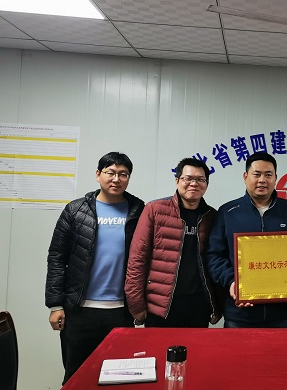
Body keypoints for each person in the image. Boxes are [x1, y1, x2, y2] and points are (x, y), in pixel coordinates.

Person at [45, 152, 144, 384]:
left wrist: (140, 304)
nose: (116, 179)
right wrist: (55, 304)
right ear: (98, 174)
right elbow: (57, 257)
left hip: (121, 311)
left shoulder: (139, 210)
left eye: (123, 174)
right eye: (110, 173)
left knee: (119, 378)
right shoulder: (75, 210)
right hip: (79, 310)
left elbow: (146, 260)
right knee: (76, 377)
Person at [206, 152, 287, 328]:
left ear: (275, 178)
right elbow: (214, 256)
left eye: (268, 175)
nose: (262, 180)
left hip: (279, 314)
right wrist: (232, 282)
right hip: (238, 313)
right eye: (256, 174)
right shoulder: (228, 212)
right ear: (245, 176)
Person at [125, 158, 223, 328]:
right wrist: (136, 304)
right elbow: (137, 258)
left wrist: (217, 305)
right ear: (177, 181)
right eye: (188, 178)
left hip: (198, 306)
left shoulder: (212, 216)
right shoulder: (155, 210)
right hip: (160, 307)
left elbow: (217, 261)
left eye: (200, 179)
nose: (194, 184)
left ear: (206, 184)